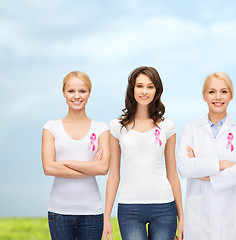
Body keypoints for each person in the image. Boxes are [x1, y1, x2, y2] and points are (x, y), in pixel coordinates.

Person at [102, 66, 184, 240]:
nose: (144, 91)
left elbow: (173, 174)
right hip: (129, 208)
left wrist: (182, 217)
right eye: (140, 86)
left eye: (150, 86)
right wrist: (106, 216)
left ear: (157, 90)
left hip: (164, 206)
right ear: (132, 89)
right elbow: (114, 174)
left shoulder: (167, 127)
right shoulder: (117, 126)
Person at [176, 72, 236, 240]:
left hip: (233, 220)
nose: (218, 97)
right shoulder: (190, 129)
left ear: (231, 95)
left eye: (224, 91)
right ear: (204, 95)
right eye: (212, 92)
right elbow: (184, 168)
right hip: (199, 218)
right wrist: (222, 164)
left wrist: (201, 170)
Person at [42, 71, 110, 240]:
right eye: (71, 91)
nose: (77, 96)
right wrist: (89, 167)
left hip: (92, 212)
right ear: (64, 93)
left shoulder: (101, 128)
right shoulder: (51, 127)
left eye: (82, 91)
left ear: (89, 93)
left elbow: (102, 168)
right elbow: (48, 168)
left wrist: (64, 163)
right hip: (59, 212)